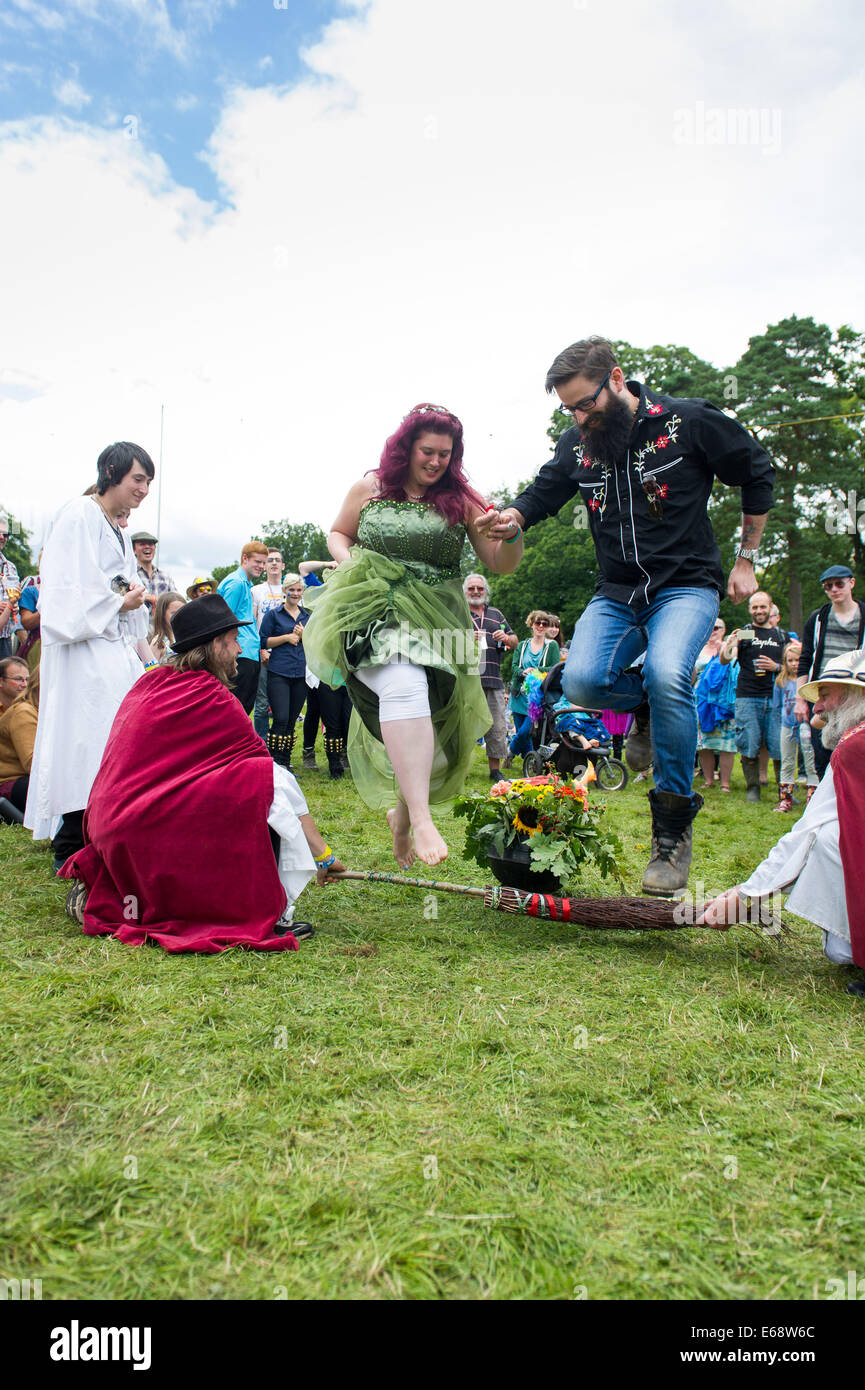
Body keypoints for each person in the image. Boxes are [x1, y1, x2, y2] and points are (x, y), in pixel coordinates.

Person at [478, 335, 774, 895]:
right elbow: (543, 493)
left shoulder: (688, 423)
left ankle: (671, 835)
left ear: (616, 379)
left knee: (668, 676)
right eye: (568, 408)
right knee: (585, 680)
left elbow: (756, 470)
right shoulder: (578, 444)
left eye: (586, 402)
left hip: (685, 584)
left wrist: (746, 560)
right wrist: (513, 515)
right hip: (616, 591)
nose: (580, 417)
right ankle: (641, 708)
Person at [59, 595, 345, 951]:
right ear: (215, 644)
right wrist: (323, 855)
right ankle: (270, 911)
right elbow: (274, 779)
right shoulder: (212, 695)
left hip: (109, 828)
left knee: (249, 780)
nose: (240, 648)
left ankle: (119, 892)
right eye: (234, 640)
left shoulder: (149, 684)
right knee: (266, 780)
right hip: (141, 825)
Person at [303, 402, 522, 867]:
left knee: (441, 733)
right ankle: (422, 819)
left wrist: (513, 531)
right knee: (404, 683)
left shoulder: (463, 498)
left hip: (439, 619)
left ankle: (402, 815)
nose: (437, 461)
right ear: (406, 447)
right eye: (428, 451)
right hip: (372, 607)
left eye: (446, 453)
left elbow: (500, 561)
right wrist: (352, 564)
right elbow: (339, 534)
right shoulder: (371, 486)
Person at [699, 648, 865, 997]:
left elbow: (807, 833)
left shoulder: (854, 746)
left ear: (855, 695)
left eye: (826, 695)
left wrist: (745, 894)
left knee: (826, 840)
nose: (817, 707)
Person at [24, 442, 155, 869]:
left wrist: (133, 598)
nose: (143, 489)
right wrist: (120, 602)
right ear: (112, 471)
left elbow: (115, 581)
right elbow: (63, 591)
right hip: (83, 653)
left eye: (148, 482)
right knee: (85, 740)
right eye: (138, 479)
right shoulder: (79, 514)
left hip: (110, 647)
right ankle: (71, 841)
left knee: (112, 740)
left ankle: (103, 831)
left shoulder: (116, 528)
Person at [796, 565, 865, 781]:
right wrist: (800, 698)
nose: (834, 589)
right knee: (823, 749)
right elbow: (805, 658)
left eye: (839, 584)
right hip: (823, 693)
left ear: (851, 583)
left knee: (853, 748)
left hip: (855, 692)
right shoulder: (818, 618)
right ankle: (825, 794)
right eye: (828, 586)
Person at [719, 591, 785, 802]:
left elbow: (792, 668)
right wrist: (730, 644)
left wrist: (776, 667)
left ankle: (785, 790)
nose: (759, 611)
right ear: (749, 610)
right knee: (749, 741)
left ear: (770, 607)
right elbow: (724, 659)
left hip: (775, 697)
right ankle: (753, 788)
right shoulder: (747, 633)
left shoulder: (780, 635)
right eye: (755, 607)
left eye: (762, 607)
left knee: (778, 744)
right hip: (747, 696)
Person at [463, 573, 517, 780]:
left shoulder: (496, 614)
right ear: (465, 592)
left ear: (486, 591)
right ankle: (460, 769)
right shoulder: (460, 613)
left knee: (497, 725)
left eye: (480, 588)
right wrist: (466, 636)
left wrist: (506, 637)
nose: (476, 592)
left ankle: (495, 770)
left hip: (493, 678)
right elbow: (445, 640)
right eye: (472, 588)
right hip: (468, 679)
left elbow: (515, 641)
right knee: (465, 726)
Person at [259, 574, 310, 772]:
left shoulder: (307, 617)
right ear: (285, 591)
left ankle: (285, 762)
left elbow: (315, 642)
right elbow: (263, 641)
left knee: (291, 720)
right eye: (292, 590)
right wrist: (287, 637)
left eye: (298, 590)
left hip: (300, 673)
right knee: (280, 717)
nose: (295, 593)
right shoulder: (274, 615)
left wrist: (304, 635)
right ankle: (274, 762)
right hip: (279, 671)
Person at [217, 542, 268, 714]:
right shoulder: (236, 583)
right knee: (236, 709)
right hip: (240, 653)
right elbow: (224, 621)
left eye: (263, 563)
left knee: (244, 707)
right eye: (257, 561)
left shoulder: (245, 584)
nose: (261, 566)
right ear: (245, 559)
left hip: (249, 652)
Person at [504, 613, 560, 765]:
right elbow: (514, 666)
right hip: (518, 694)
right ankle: (529, 762)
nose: (541, 626)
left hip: (536, 697)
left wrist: (535, 670)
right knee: (524, 734)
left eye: (544, 623)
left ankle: (510, 753)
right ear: (531, 624)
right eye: (538, 623)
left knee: (524, 731)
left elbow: (553, 668)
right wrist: (523, 672)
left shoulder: (551, 646)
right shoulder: (522, 645)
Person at [693, 619, 737, 792]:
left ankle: (725, 783)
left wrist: (730, 644)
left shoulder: (730, 646)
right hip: (701, 698)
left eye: (717, 627)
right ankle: (709, 779)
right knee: (704, 742)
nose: (713, 630)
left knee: (726, 743)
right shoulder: (698, 647)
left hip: (723, 699)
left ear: (724, 630)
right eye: (710, 627)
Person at [774, 639, 817, 812]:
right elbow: (777, 705)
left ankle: (813, 798)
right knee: (787, 761)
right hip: (787, 725)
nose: (794, 664)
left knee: (810, 761)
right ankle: (785, 799)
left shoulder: (808, 683)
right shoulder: (780, 682)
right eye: (790, 660)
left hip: (806, 726)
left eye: (797, 660)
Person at [251, 547, 286, 741]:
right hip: (264, 652)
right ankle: (261, 743)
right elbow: (253, 621)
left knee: (282, 703)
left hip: (285, 653)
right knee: (262, 703)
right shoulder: (257, 591)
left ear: (283, 565)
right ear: (264, 566)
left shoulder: (290, 589)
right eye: (269, 560)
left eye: (277, 560)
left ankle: (279, 743)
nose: (273, 563)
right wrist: (261, 649)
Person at [0, 666, 38, 823]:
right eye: (18, 679)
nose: (23, 684)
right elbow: (33, 764)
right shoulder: (23, 712)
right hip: (11, 784)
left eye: (26, 679)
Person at [131, 531, 176, 615]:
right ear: (134, 550)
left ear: (155, 549)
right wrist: (149, 598)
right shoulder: (130, 575)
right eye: (142, 544)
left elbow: (175, 601)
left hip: (160, 626)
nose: (147, 546)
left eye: (151, 544)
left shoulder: (165, 577)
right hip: (136, 625)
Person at [0, 517, 22, 660]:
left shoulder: (10, 567)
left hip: (5, 640)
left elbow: (15, 601)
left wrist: (14, 607)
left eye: (5, 534)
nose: (2, 537)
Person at [148, 590, 185, 664]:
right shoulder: (159, 643)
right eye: (174, 613)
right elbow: (150, 671)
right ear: (162, 615)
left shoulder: (187, 637)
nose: (179, 616)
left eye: (183, 612)